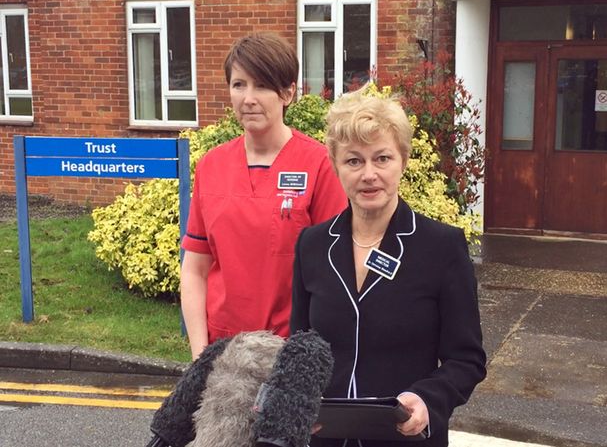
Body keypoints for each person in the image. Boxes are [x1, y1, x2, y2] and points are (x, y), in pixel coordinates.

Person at [290, 91, 486, 447]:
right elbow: (300, 349)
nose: (369, 175)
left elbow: (467, 359)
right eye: (353, 161)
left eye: (382, 158)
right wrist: (296, 402)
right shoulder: (312, 245)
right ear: (335, 165)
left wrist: (428, 399)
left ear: (403, 161)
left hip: (404, 439)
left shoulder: (441, 247)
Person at [181, 32, 347, 360]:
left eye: (262, 85)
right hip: (221, 352)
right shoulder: (211, 166)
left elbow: (335, 274)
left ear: (287, 93)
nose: (248, 98)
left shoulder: (318, 165)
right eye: (239, 84)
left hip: (288, 352)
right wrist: (200, 358)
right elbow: (195, 269)